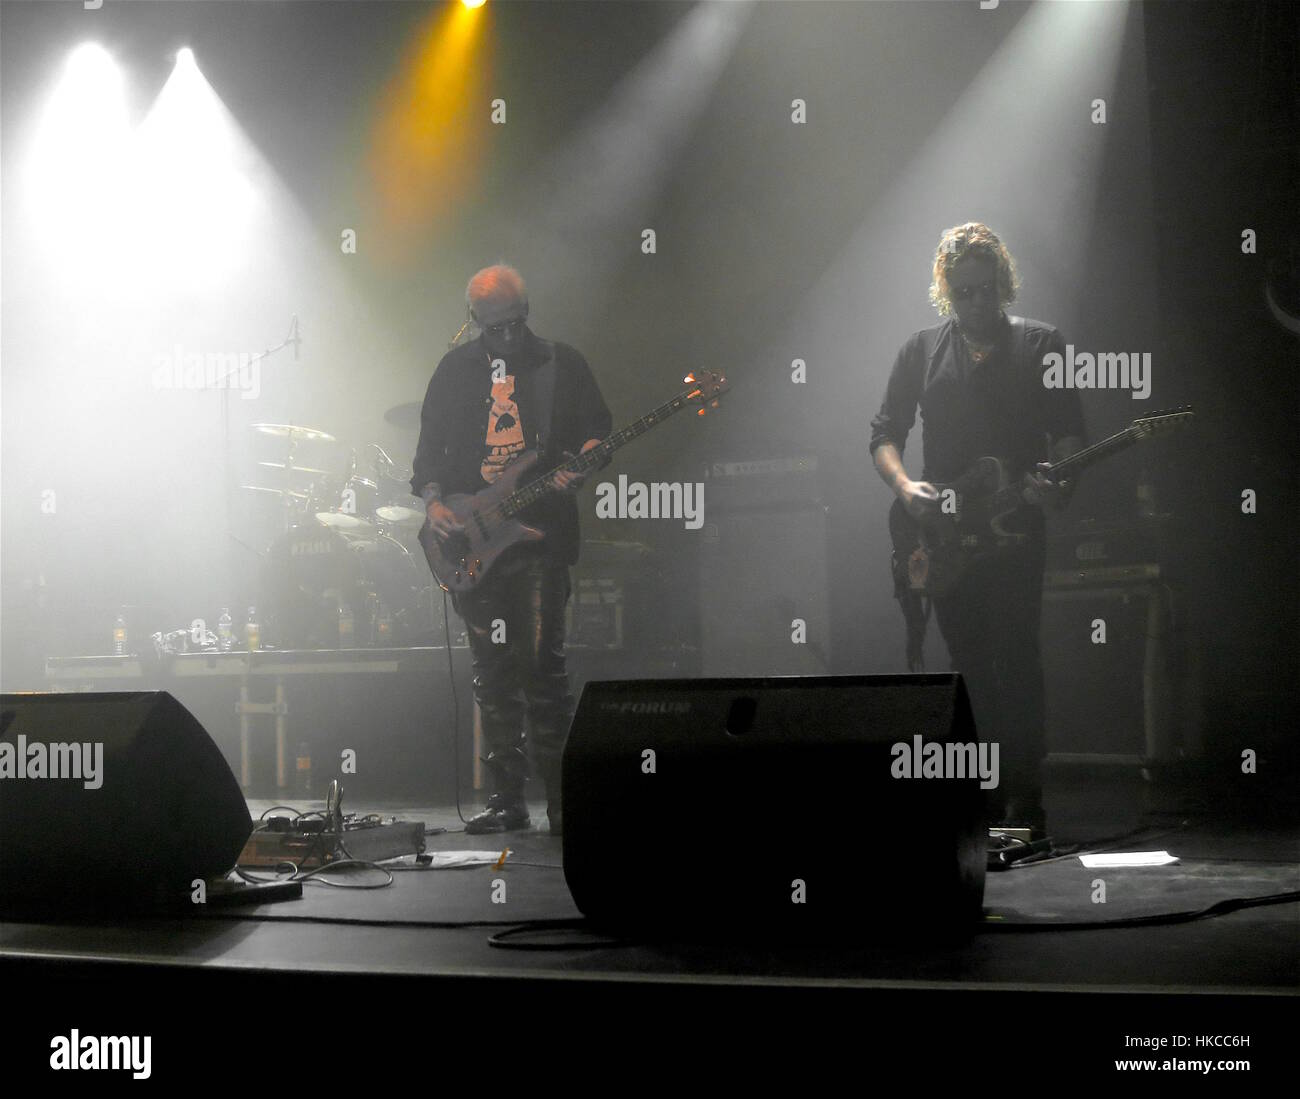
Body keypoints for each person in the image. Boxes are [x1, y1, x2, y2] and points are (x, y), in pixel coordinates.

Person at [869, 223, 1085, 836]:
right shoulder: (920, 350)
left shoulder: (1043, 345)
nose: (977, 304)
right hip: (943, 533)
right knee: (967, 665)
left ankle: (1026, 800)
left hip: (1014, 528)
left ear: (1003, 285)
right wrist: (906, 488)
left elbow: (1068, 434)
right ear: (946, 289)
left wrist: (1059, 483)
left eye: (986, 291)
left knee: (1016, 655)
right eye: (963, 292)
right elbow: (884, 432)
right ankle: (982, 800)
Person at [411, 264, 611, 835]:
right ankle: (506, 801)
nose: (506, 336)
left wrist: (587, 459)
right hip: (474, 536)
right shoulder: (454, 370)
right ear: (473, 321)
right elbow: (427, 451)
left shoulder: (560, 363)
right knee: (492, 674)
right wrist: (434, 504)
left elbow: (599, 430)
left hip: (539, 538)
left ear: (527, 312)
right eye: (493, 327)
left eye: (515, 324)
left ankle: (566, 803)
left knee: (543, 670)